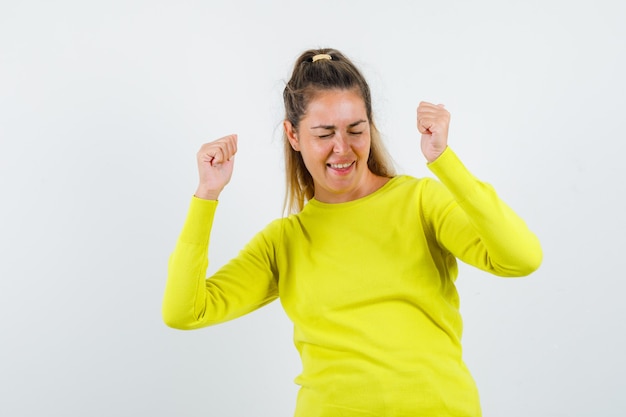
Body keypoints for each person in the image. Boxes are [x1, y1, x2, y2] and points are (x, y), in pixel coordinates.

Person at [162, 48, 542, 417]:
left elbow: (521, 258)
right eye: (324, 134)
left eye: (355, 130)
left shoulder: (420, 202)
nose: (342, 149)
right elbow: (184, 311)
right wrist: (206, 195)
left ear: (370, 126)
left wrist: (443, 161)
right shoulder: (285, 242)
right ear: (293, 136)